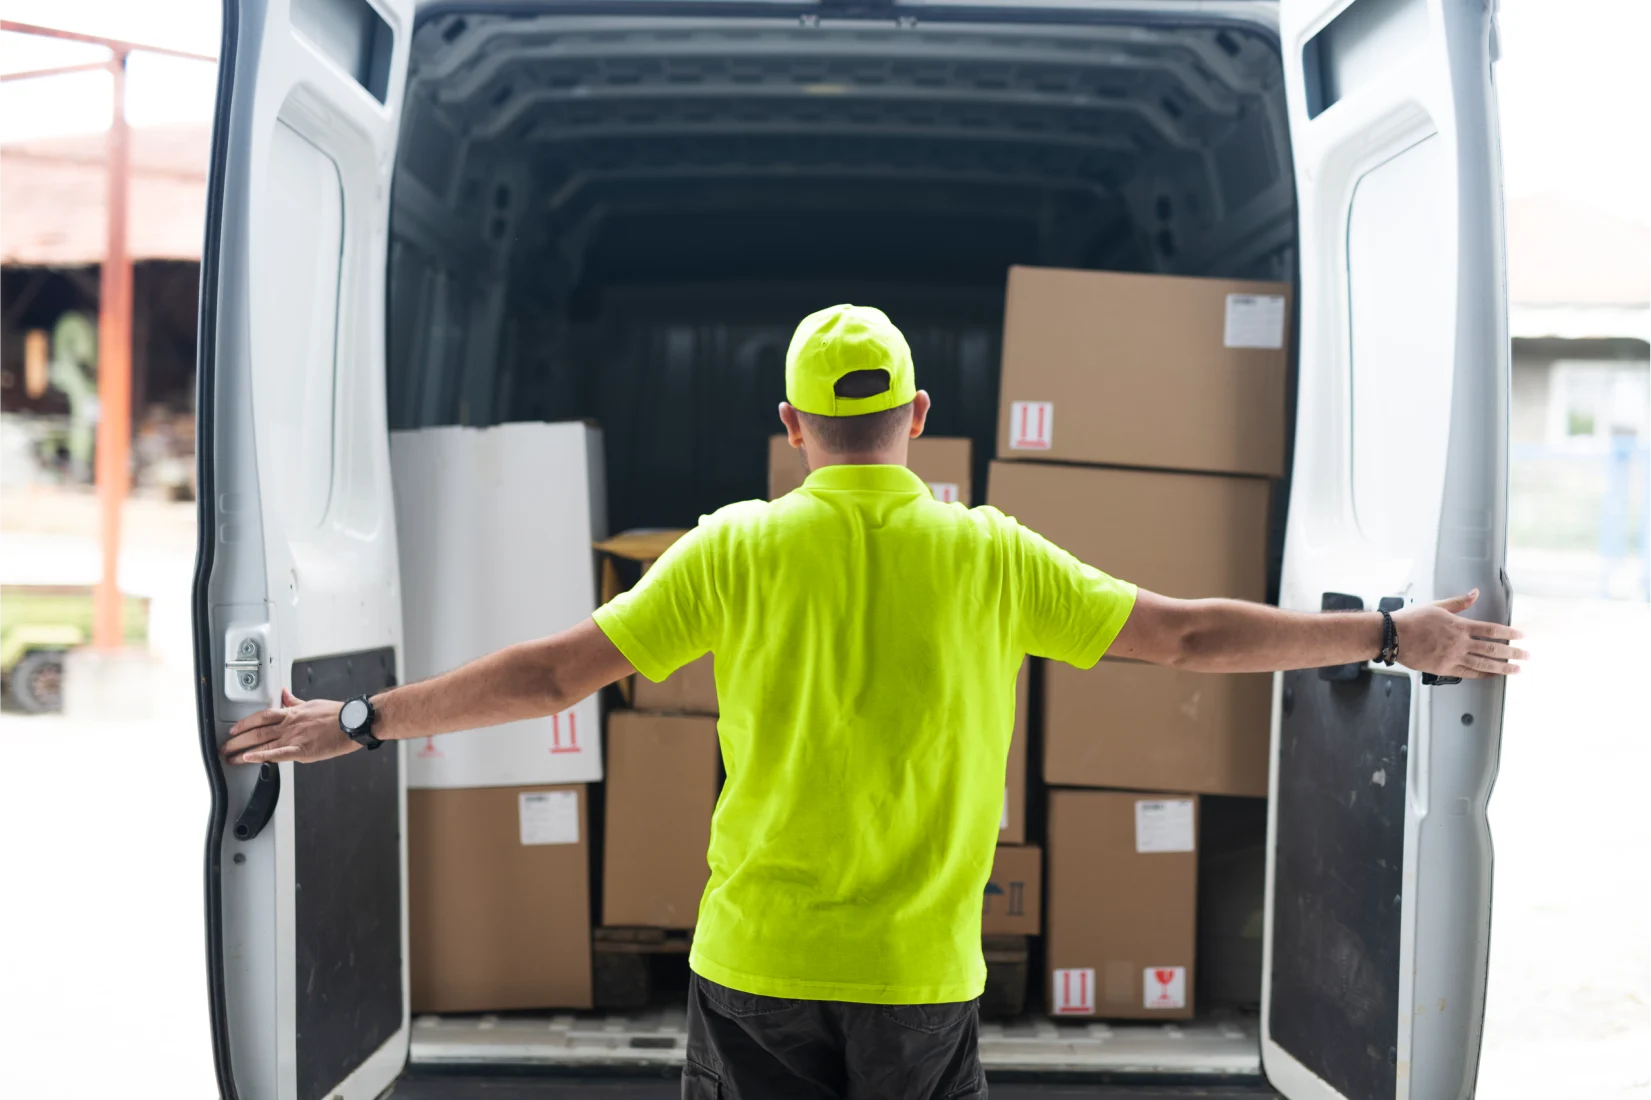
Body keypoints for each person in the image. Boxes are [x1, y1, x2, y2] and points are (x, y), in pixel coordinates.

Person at [222, 304, 1524, 1100]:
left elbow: (551, 675)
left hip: (755, 966)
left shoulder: (734, 548)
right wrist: (1391, 633)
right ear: (917, 413)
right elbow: (1188, 637)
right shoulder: (989, 554)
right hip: (917, 975)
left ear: (792, 424)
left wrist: (357, 721)